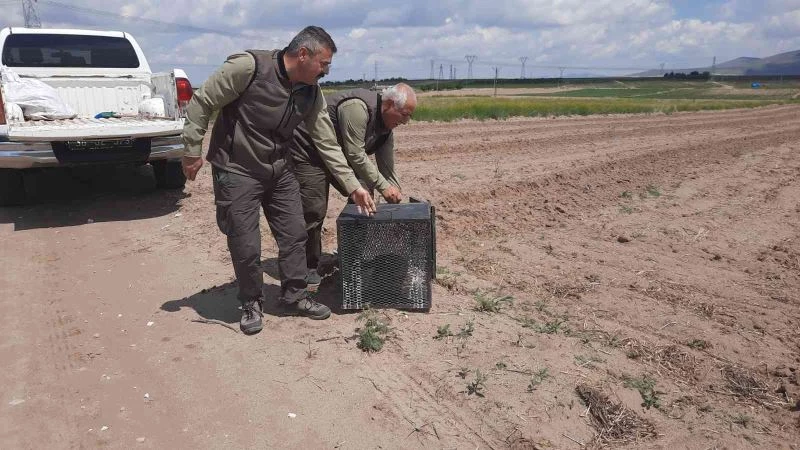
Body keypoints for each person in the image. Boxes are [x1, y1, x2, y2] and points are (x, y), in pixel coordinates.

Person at [180, 26, 376, 335]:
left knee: (295, 232)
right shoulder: (249, 67)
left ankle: (295, 296)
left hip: (279, 169)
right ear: (302, 55)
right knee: (245, 241)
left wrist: (353, 186)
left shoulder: (310, 92)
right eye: (324, 64)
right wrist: (192, 149)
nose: (326, 72)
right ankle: (251, 301)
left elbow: (326, 142)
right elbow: (202, 101)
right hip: (237, 168)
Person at [291, 83, 417, 284]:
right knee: (314, 209)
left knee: (365, 195)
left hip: (338, 156)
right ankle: (308, 265)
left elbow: (387, 169)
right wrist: (384, 187)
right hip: (309, 152)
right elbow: (356, 154)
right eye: (404, 114)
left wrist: (395, 196)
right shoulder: (357, 108)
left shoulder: (386, 131)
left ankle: (351, 255)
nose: (406, 121)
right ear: (390, 104)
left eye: (409, 116)